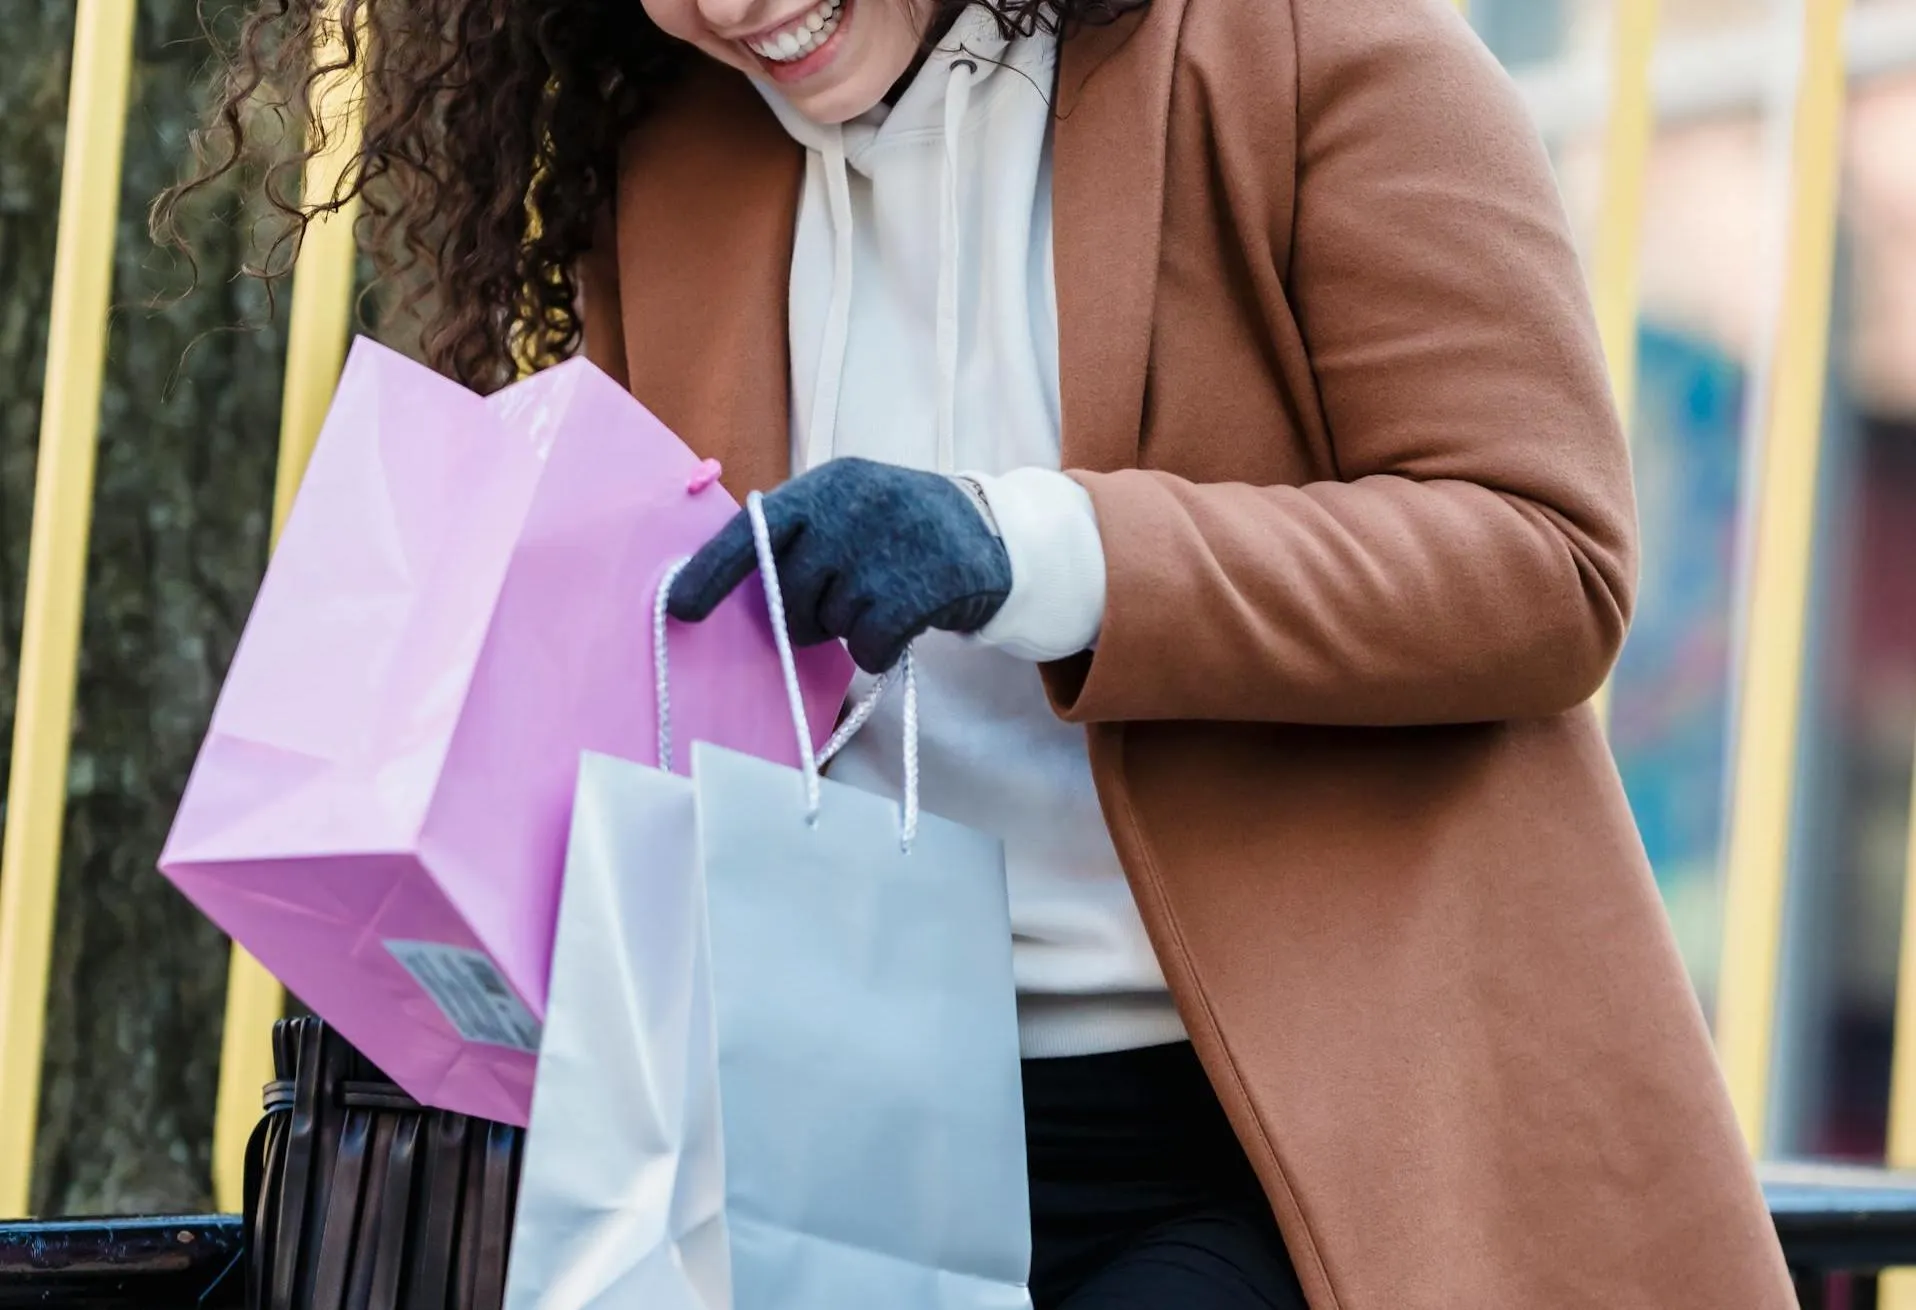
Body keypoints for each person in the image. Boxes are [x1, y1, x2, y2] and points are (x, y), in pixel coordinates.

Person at [159, 0, 1796, 1304]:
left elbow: (1547, 558)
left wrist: (1033, 549)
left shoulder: (1322, 48)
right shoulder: (669, 170)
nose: (733, 5)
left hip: (1281, 1136)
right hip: (830, 1125)